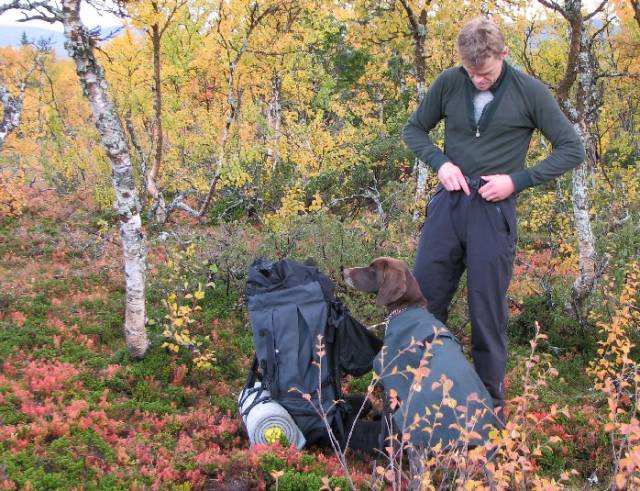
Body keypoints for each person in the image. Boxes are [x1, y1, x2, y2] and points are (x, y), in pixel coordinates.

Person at [402, 16, 584, 409]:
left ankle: (489, 408)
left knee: (487, 311)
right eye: (471, 72)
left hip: (493, 211)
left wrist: (517, 181)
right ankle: (415, 398)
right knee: (424, 300)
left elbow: (572, 149)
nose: (478, 79)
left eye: (484, 73)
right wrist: (440, 163)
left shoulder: (529, 92)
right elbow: (414, 129)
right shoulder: (450, 82)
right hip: (448, 204)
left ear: (503, 54)